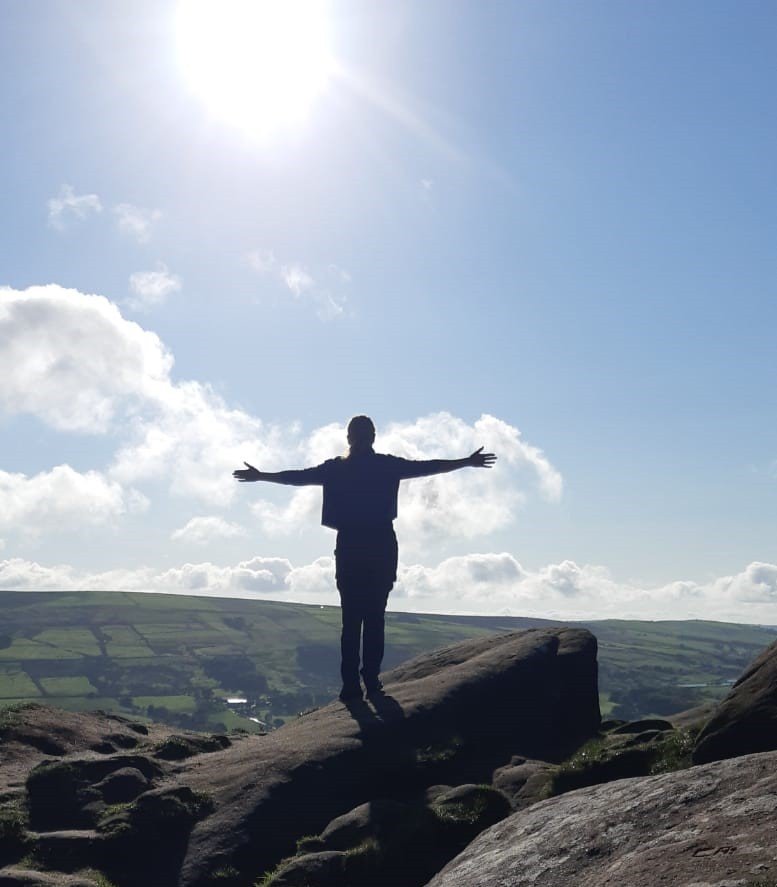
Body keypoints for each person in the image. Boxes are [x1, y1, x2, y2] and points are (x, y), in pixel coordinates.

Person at [233, 415, 496, 702]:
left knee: (351, 621)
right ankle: (370, 682)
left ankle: (350, 687)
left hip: (350, 546)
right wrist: (466, 462)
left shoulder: (336, 469)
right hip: (381, 545)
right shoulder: (385, 464)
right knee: (375, 619)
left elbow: (297, 477)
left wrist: (262, 476)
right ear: (373, 437)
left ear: (349, 437)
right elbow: (427, 467)